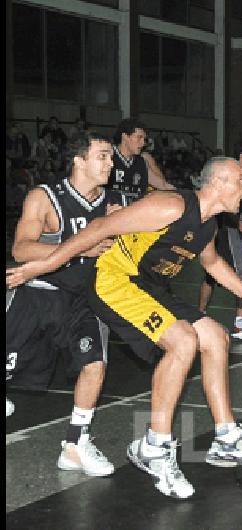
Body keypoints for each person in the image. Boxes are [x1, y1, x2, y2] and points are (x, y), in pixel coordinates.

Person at [7, 157, 242, 500]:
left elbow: (211, 262)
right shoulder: (169, 205)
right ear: (219, 182)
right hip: (112, 281)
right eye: (241, 181)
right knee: (182, 341)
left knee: (215, 336)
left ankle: (226, 436)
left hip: (148, 286)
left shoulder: (208, 224)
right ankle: (154, 446)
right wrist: (42, 266)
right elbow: (98, 229)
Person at [6, 131, 126, 476]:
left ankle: (75, 446)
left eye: (111, 157)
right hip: (38, 295)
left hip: (84, 300)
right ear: (79, 160)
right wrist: (81, 247)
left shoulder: (114, 202)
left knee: (94, 365)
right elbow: (21, 249)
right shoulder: (44, 198)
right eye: (103, 156)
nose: (111, 163)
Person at [198, 138, 242, 342]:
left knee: (211, 276)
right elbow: (224, 206)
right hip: (225, 228)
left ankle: (197, 318)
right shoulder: (230, 174)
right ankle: (240, 325)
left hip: (219, 227)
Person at [110, 118, 175, 202]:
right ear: (125, 137)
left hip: (135, 212)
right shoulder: (108, 157)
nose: (143, 143)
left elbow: (163, 185)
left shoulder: (141, 162)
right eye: (139, 137)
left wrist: (186, 195)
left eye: (144, 139)